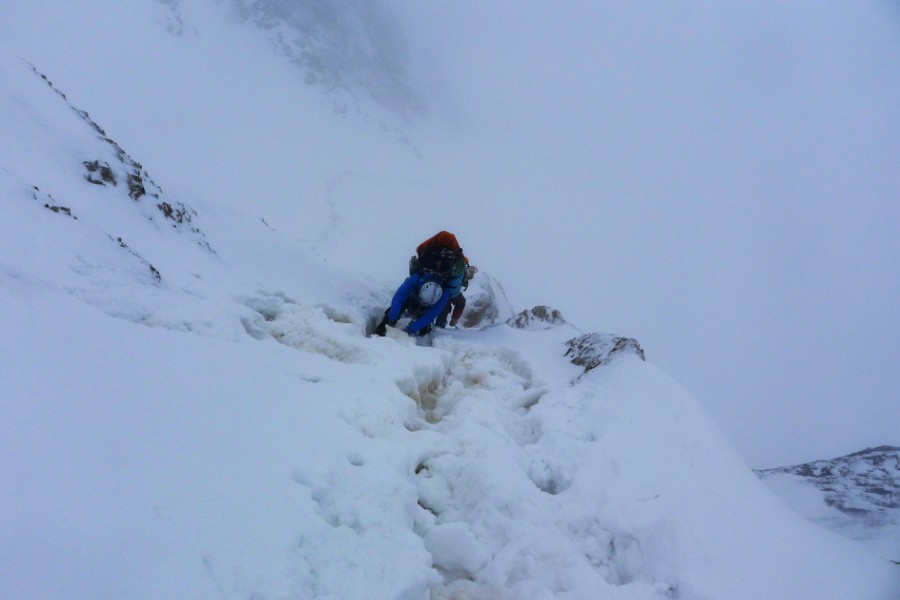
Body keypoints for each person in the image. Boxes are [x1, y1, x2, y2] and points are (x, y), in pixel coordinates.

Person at [374, 271, 450, 337]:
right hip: (411, 297)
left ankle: (423, 340)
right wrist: (392, 318)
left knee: (424, 323)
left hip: (426, 305)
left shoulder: (444, 293)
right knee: (397, 308)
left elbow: (429, 317)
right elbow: (398, 300)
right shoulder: (415, 279)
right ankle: (381, 329)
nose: (422, 303)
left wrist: (410, 329)